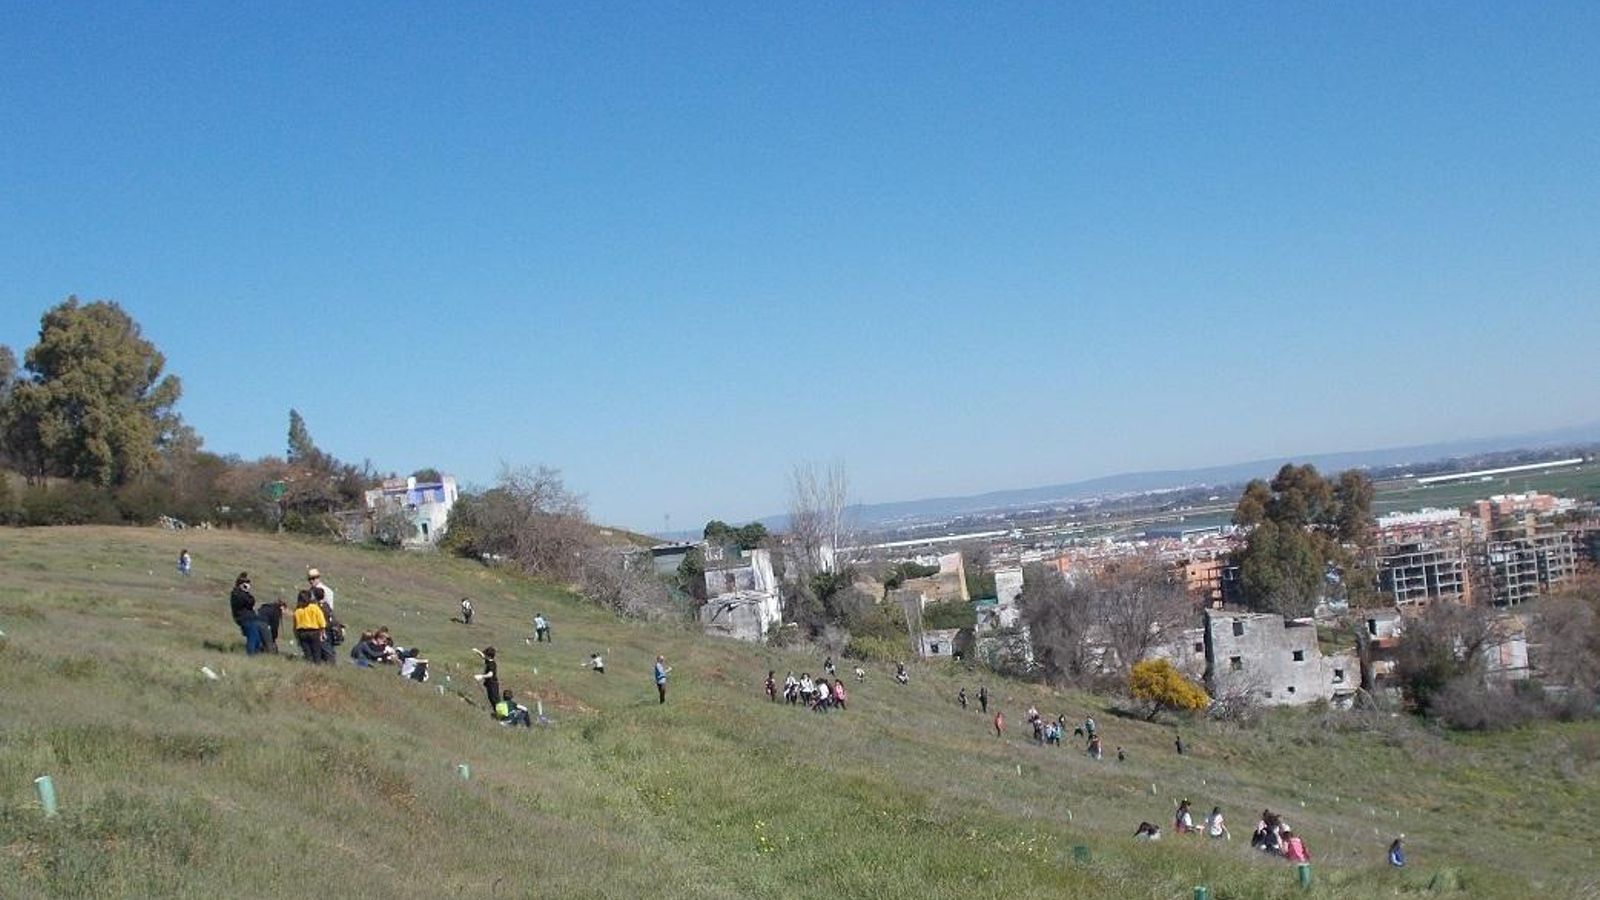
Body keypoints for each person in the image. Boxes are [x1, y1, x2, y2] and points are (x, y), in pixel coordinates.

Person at [292, 590, 327, 663]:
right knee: (316, 653)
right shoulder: (314, 608)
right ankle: (317, 668)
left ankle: (310, 667)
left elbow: (295, 627)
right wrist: (322, 633)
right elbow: (322, 621)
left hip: (302, 633)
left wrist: (297, 638)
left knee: (308, 654)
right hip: (314, 632)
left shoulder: (297, 610)